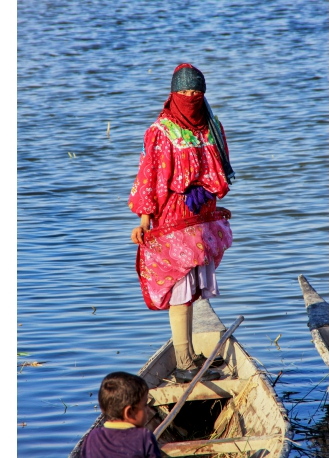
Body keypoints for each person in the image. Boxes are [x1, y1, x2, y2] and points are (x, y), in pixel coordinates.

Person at [128, 63, 235, 383]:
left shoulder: (211, 125)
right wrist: (144, 219)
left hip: (199, 215)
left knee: (192, 289)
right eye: (185, 92)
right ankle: (184, 362)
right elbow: (149, 176)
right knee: (179, 287)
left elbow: (222, 168)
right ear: (173, 95)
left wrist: (207, 189)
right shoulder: (161, 131)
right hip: (172, 217)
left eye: (197, 92)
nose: (191, 98)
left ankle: (188, 357)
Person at [81, 372, 162, 458]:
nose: (149, 410)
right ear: (129, 412)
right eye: (145, 405)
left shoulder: (93, 437)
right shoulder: (144, 437)